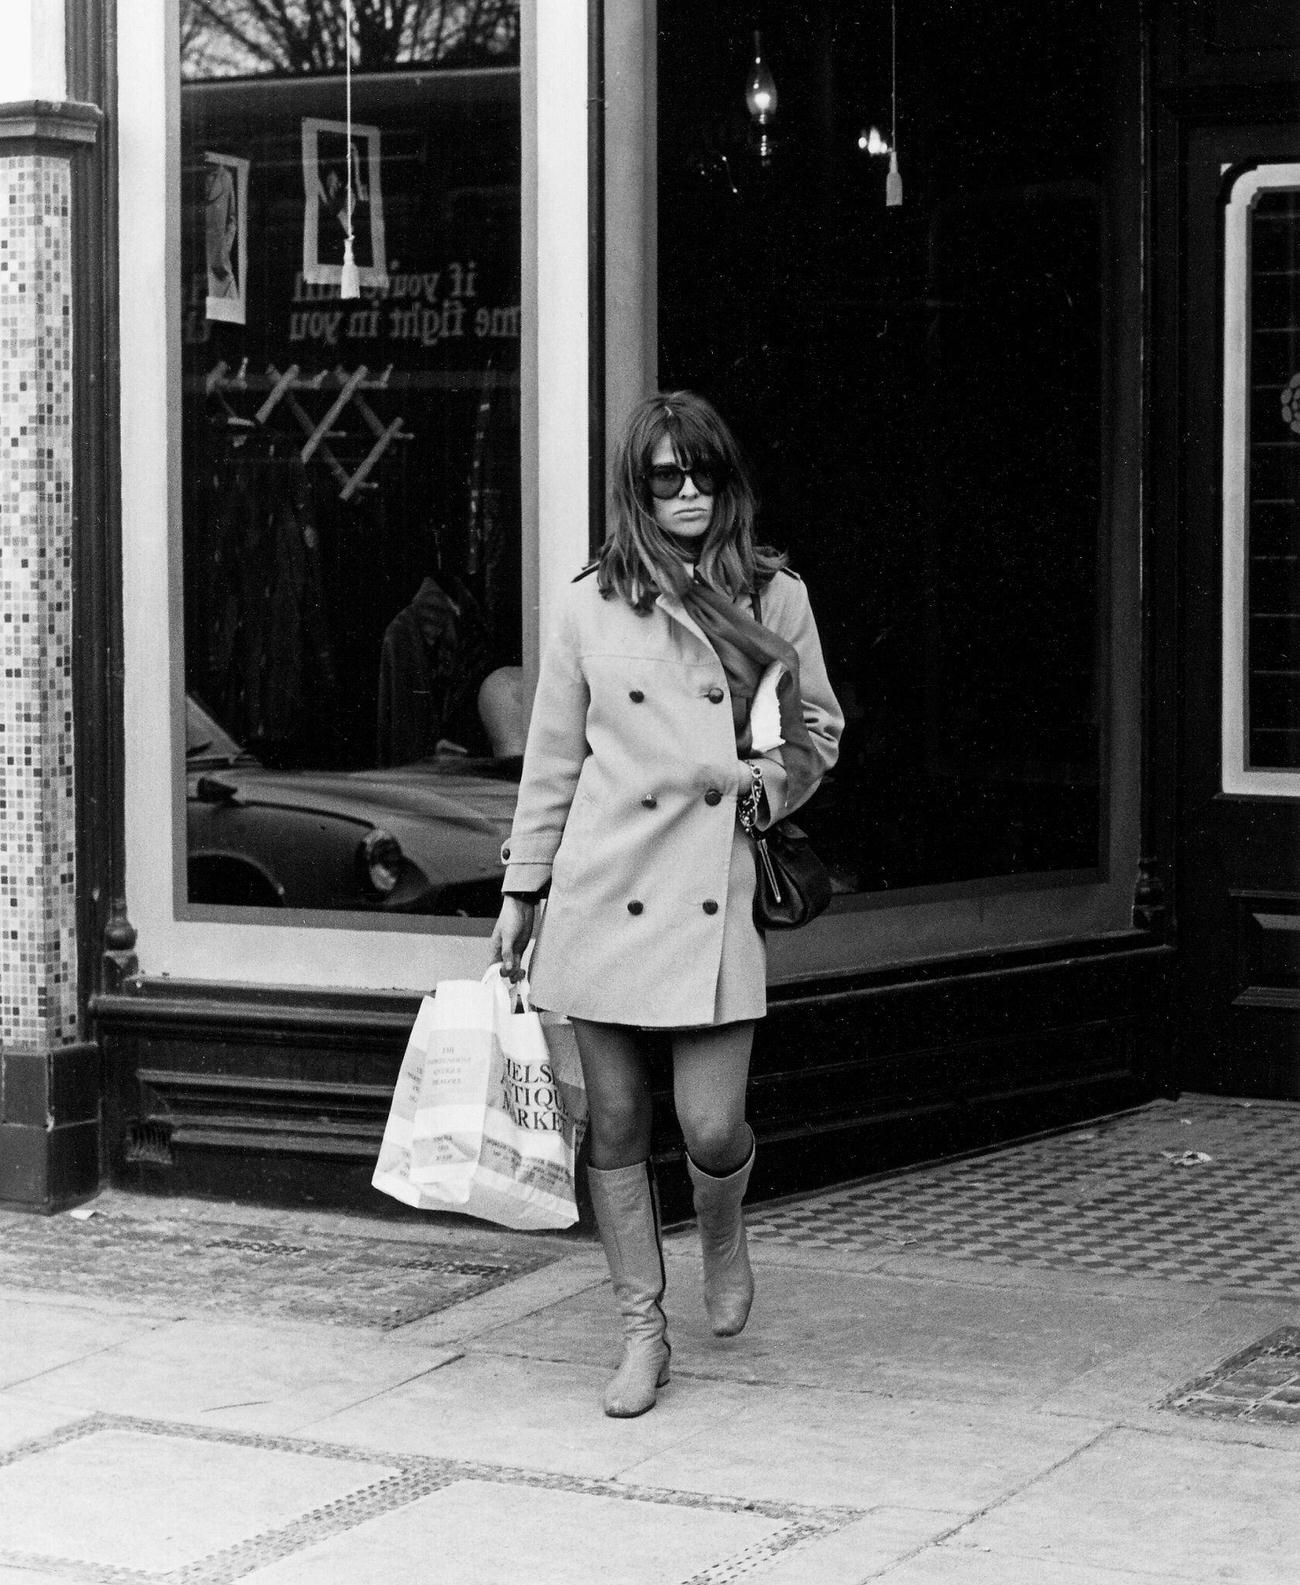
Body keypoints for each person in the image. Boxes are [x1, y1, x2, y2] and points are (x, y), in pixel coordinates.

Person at [490, 390, 843, 1417]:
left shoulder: (773, 599)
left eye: (705, 475)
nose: (688, 495)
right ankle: (641, 1325)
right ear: (635, 492)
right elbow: (552, 761)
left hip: (710, 888)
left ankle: (722, 1225)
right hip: (604, 886)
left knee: (711, 1121)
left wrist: (762, 791)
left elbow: (815, 729)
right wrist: (523, 889)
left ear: (728, 484)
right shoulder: (589, 603)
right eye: (664, 478)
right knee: (612, 1118)